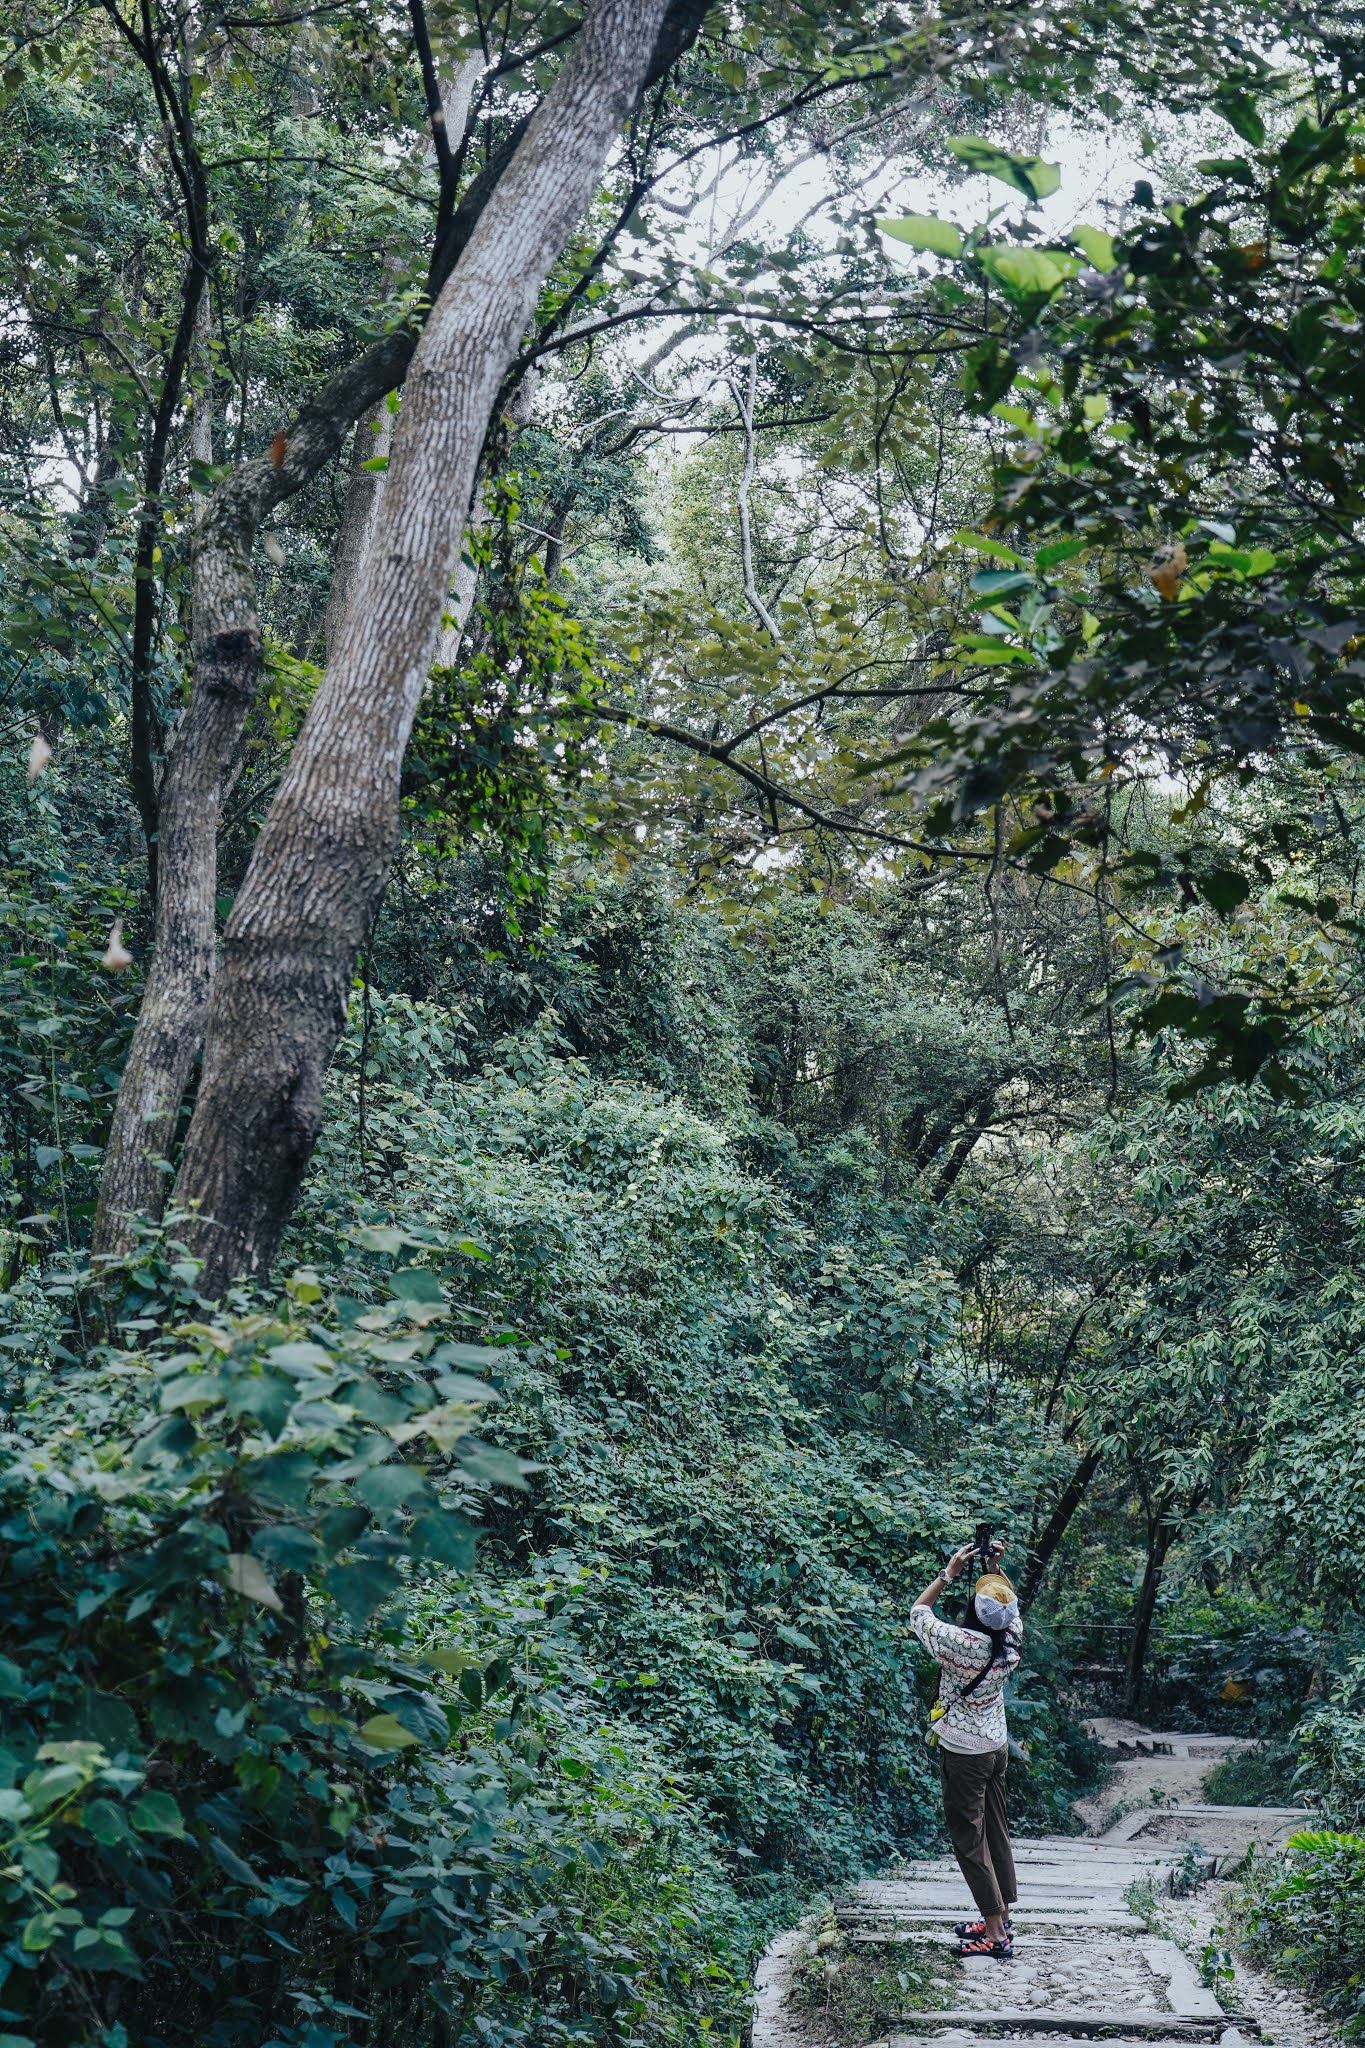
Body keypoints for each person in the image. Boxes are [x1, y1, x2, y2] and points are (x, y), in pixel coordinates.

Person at [911, 1539, 1023, 1960]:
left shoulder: (960, 1644)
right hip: (996, 1747)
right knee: (996, 1829)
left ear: (975, 1610)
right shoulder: (1010, 1641)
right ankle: (1002, 1914)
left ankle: (994, 1935)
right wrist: (995, 1570)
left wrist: (950, 1572)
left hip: (965, 1753)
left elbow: (918, 1613)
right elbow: (1008, 1610)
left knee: (969, 1839)